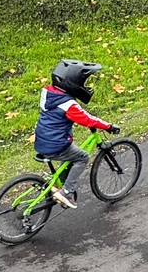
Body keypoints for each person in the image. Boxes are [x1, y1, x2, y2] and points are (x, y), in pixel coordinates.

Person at [34, 60, 118, 209]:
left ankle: (57, 185)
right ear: (72, 83)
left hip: (43, 140)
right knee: (82, 157)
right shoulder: (68, 105)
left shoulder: (48, 93)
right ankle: (66, 192)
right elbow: (87, 119)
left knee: (70, 153)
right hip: (56, 144)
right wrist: (108, 126)